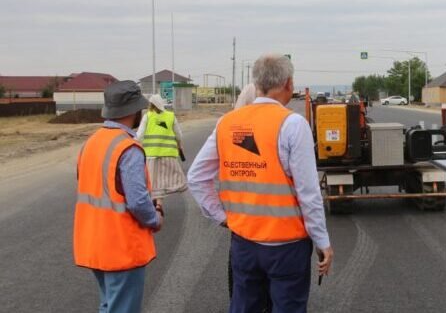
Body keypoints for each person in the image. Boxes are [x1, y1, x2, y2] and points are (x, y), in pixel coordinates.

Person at [188, 54, 333, 313]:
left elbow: (196, 177)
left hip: (243, 242)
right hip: (287, 246)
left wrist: (222, 217)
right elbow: (309, 194)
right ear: (288, 83)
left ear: (256, 85)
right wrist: (322, 242)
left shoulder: (226, 123)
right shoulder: (292, 124)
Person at [73, 80, 163, 313]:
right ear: (135, 111)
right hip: (120, 248)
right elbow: (137, 201)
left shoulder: (91, 143)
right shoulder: (127, 148)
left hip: (94, 242)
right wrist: (155, 219)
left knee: (108, 305)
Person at [136, 94, 187, 208]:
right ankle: (159, 203)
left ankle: (155, 201)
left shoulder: (147, 117)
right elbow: (179, 135)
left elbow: (139, 136)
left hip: (151, 155)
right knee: (164, 180)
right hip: (168, 155)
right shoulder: (171, 116)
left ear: (151, 105)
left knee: (153, 181)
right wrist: (180, 146)